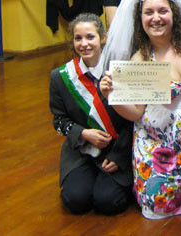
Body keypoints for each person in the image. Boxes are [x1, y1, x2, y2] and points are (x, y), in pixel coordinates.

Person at [99, 0, 181, 219]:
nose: (156, 18)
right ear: (140, 18)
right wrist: (112, 96)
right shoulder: (139, 59)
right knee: (156, 203)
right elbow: (135, 113)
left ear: (174, 14)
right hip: (157, 145)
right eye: (148, 12)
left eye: (163, 11)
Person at [49, 13, 132, 215]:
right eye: (78, 38)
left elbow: (133, 121)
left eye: (90, 37)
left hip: (116, 149)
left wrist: (120, 155)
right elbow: (59, 120)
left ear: (102, 38)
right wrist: (83, 133)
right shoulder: (61, 77)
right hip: (81, 150)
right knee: (76, 201)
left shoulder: (120, 71)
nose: (84, 44)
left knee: (108, 202)